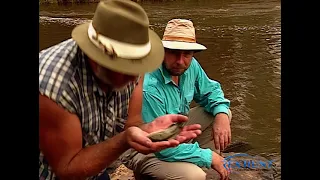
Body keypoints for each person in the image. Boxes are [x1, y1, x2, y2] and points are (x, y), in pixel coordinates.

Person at [39, 2, 202, 180]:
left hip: (97, 168)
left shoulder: (133, 67)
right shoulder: (54, 87)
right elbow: (67, 169)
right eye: (125, 69)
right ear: (97, 59)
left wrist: (149, 132)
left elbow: (132, 124)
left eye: (138, 67)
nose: (135, 79)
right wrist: (125, 140)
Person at [121, 19, 232, 180]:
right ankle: (148, 173)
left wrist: (221, 115)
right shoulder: (149, 87)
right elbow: (162, 147)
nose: (180, 61)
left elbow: (211, 92)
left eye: (186, 54)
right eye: (174, 52)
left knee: (221, 113)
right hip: (145, 146)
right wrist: (209, 156)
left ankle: (194, 162)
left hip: (174, 130)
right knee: (194, 176)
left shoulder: (190, 65)